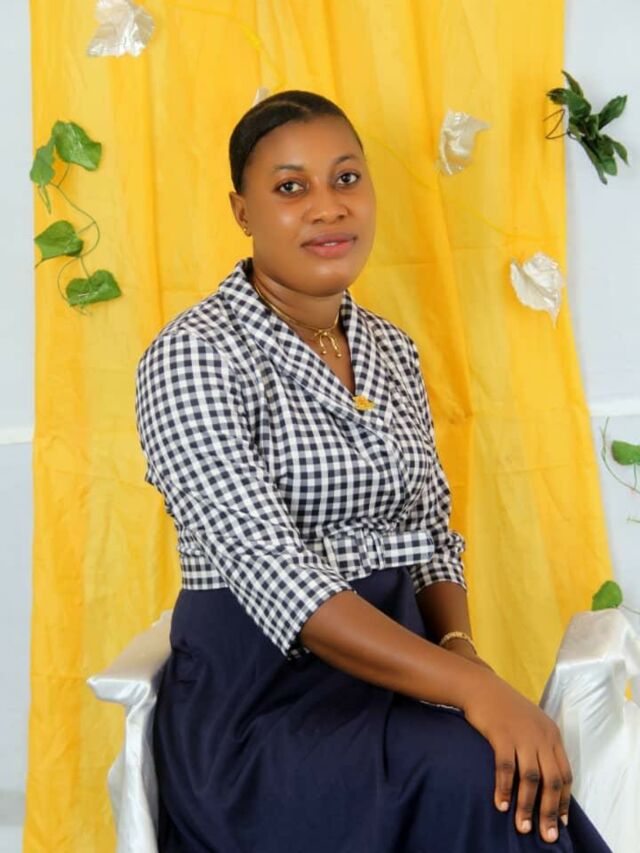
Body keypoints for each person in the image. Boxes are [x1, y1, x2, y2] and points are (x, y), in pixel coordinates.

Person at [134, 90, 613, 852]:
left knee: (503, 764)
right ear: (242, 211)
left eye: (346, 178)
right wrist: (472, 689)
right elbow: (279, 576)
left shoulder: (390, 349)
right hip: (264, 712)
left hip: (399, 677)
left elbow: (430, 536)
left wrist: (461, 655)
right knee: (483, 773)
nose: (327, 206)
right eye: (291, 187)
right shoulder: (195, 355)